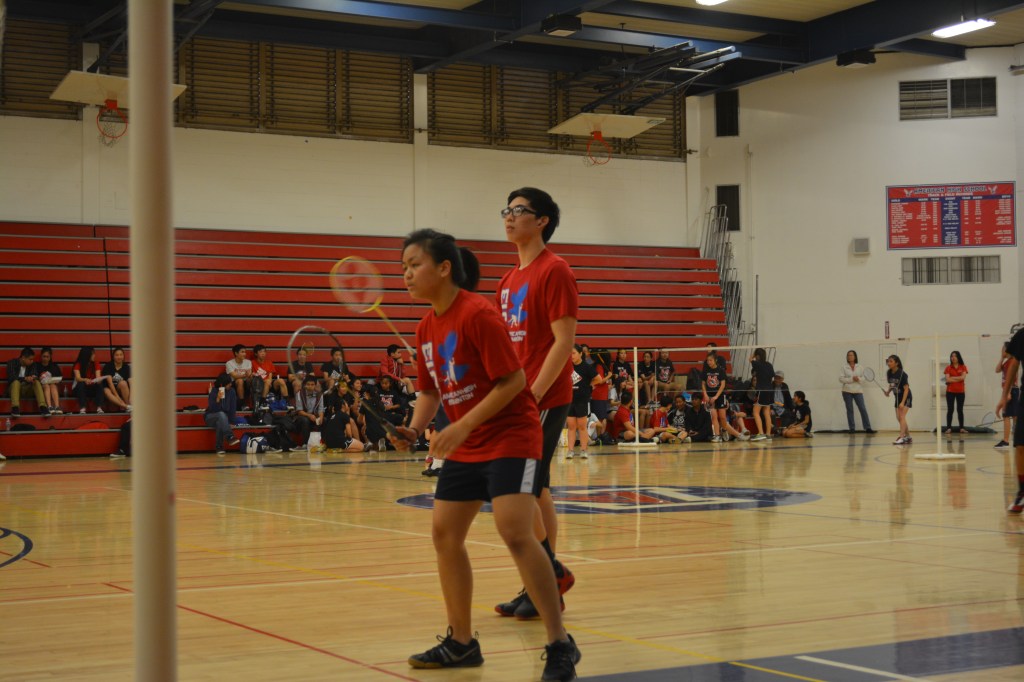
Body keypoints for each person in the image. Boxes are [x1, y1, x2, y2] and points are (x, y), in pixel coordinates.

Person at [395, 228, 580, 680]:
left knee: (515, 531)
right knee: (444, 534)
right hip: (468, 441)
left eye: (414, 264)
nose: (406, 275)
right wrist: (415, 427)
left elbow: (513, 382)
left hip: (511, 437)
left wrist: (460, 426)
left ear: (444, 268)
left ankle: (560, 644)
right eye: (403, 267)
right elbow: (428, 391)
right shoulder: (424, 327)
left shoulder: (479, 314)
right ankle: (461, 642)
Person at [494, 187, 579, 620]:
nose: (509, 217)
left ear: (542, 220)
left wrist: (535, 395)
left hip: (541, 397)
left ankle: (548, 574)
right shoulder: (508, 280)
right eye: (506, 210)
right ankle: (542, 583)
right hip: (517, 397)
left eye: (519, 210)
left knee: (519, 490)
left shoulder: (555, 270)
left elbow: (564, 342)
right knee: (537, 487)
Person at [997, 327, 1024, 513]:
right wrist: (1004, 395)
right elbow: (1014, 364)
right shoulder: (1021, 336)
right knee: (1020, 445)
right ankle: (1022, 493)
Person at [703, 353, 746, 442]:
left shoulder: (721, 370)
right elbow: (703, 384)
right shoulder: (705, 370)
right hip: (710, 397)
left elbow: (723, 385)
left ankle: (724, 430)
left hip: (720, 396)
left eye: (710, 360)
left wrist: (716, 396)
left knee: (722, 417)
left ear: (715, 360)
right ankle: (717, 436)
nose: (709, 362)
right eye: (707, 360)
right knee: (714, 417)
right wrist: (705, 395)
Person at [566, 344, 597, 460]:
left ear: (580, 354)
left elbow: (598, 378)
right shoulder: (568, 366)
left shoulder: (586, 367)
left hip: (582, 400)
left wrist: (588, 386)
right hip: (570, 400)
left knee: (582, 426)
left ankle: (584, 450)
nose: (571, 356)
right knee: (571, 426)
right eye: (570, 354)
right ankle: (570, 451)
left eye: (573, 353)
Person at [839, 349, 874, 433]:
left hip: (858, 390)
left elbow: (864, 378)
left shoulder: (860, 367)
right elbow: (841, 379)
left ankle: (868, 427)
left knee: (862, 408)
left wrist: (858, 378)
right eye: (848, 355)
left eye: (851, 355)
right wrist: (851, 379)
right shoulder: (843, 367)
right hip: (847, 391)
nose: (849, 357)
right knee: (850, 410)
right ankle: (852, 428)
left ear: (855, 357)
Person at [205, 373, 240, 455]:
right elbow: (212, 409)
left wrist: (231, 422)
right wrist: (217, 399)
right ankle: (229, 436)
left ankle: (219, 447)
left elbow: (232, 408)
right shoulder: (213, 391)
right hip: (210, 416)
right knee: (220, 414)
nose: (231, 385)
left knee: (220, 421)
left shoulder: (232, 391)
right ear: (223, 384)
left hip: (223, 419)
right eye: (229, 383)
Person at [5, 347, 46, 416]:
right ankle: (15, 408)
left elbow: (34, 374)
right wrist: (25, 378)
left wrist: (33, 377)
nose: (32, 361)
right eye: (30, 359)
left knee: (36, 382)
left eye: (32, 359)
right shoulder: (12, 363)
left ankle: (43, 407)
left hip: (26, 389)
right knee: (16, 382)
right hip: (13, 389)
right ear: (23, 357)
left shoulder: (33, 365)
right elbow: (11, 377)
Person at [884, 354, 912, 445]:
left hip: (906, 396)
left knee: (902, 417)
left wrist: (903, 402)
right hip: (897, 397)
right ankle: (908, 437)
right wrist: (888, 391)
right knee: (899, 418)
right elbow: (892, 384)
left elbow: (906, 389)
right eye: (888, 361)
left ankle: (902, 437)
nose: (889, 363)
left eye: (891, 361)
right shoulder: (889, 372)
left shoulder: (902, 374)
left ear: (896, 363)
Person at [251, 344, 289, 409]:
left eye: (264, 352)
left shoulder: (269, 363)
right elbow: (252, 376)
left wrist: (268, 381)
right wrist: (265, 381)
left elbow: (270, 377)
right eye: (261, 352)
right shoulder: (252, 363)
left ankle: (286, 402)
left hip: (269, 384)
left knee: (281, 381)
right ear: (256, 354)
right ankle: (262, 402)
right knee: (267, 382)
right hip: (259, 385)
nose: (263, 354)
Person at [749, 348, 775, 441]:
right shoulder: (769, 365)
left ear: (758, 356)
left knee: (755, 411)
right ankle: (768, 434)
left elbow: (750, 359)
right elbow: (772, 376)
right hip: (770, 391)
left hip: (762, 390)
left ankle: (761, 433)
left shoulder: (757, 364)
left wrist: (753, 355)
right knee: (766, 412)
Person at [996, 342, 1018, 449]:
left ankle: (1006, 441)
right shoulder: (1006, 362)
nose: (1001, 350)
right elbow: (997, 370)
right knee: (1014, 416)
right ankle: (1017, 441)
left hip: (1011, 390)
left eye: (1003, 348)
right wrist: (1001, 358)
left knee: (1007, 416)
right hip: (1009, 390)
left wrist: (1008, 393)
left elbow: (1012, 377)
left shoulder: (1012, 362)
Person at [294, 375, 325, 449]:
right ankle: (305, 444)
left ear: (315, 385)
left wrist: (321, 417)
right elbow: (299, 410)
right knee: (305, 420)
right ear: (304, 385)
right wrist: (309, 415)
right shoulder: (299, 394)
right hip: (302, 416)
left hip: (314, 416)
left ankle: (322, 443)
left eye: (312, 384)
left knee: (325, 420)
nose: (310, 386)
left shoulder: (320, 395)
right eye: (308, 384)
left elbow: (321, 409)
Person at [72, 346, 105, 414]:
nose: (94, 355)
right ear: (87, 355)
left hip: (91, 387)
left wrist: (99, 380)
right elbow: (78, 378)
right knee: (81, 384)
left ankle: (99, 407)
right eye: (92, 354)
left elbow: (98, 376)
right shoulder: (78, 364)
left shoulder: (96, 363)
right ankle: (83, 408)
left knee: (100, 384)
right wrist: (85, 380)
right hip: (79, 388)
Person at [944, 350, 968, 434]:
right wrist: (958, 377)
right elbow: (947, 379)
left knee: (960, 409)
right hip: (950, 392)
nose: (953, 358)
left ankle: (961, 428)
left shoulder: (963, 367)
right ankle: (949, 428)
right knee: (950, 409)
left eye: (955, 356)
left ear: (958, 357)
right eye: (952, 356)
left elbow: (963, 378)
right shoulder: (948, 368)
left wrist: (952, 378)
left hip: (961, 392)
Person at [101, 346, 132, 412]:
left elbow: (131, 382)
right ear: (113, 357)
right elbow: (110, 383)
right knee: (106, 391)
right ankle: (126, 406)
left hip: (119, 388)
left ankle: (129, 405)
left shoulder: (126, 367)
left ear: (123, 356)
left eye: (121, 355)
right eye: (117, 355)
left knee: (123, 383)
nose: (119, 357)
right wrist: (117, 397)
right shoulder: (108, 366)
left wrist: (131, 396)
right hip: (109, 388)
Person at [36, 346, 63, 415]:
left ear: (50, 357)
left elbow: (60, 378)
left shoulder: (54, 366)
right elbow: (35, 377)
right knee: (46, 386)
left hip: (53, 386)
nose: (45, 358)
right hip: (41, 386)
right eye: (44, 356)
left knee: (53, 386)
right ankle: (49, 406)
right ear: (41, 356)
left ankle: (57, 406)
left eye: (47, 357)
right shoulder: (37, 366)